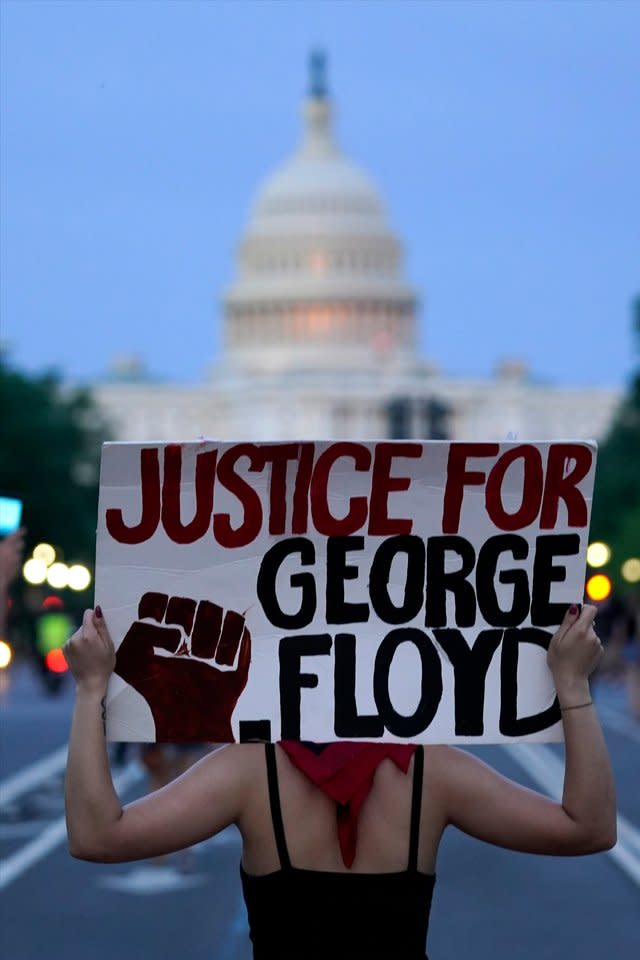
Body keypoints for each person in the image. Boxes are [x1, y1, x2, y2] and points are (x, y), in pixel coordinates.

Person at [63, 603, 616, 960]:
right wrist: (571, 685)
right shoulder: (430, 768)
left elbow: (97, 837)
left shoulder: (250, 768)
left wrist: (91, 693)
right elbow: (587, 828)